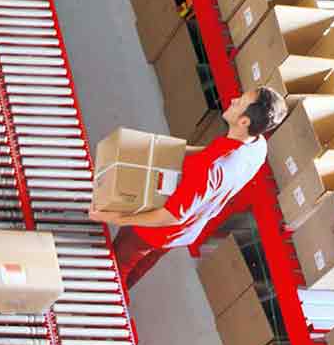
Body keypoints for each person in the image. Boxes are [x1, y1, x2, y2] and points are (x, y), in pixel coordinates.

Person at [91, 86, 286, 290]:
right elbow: (211, 152)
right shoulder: (257, 145)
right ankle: (125, 289)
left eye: (240, 102)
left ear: (244, 121)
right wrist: (159, 147)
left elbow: (172, 215)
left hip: (156, 228)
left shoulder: (210, 169)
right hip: (187, 229)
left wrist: (116, 218)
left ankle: (104, 304)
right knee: (141, 264)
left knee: (117, 267)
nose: (234, 99)